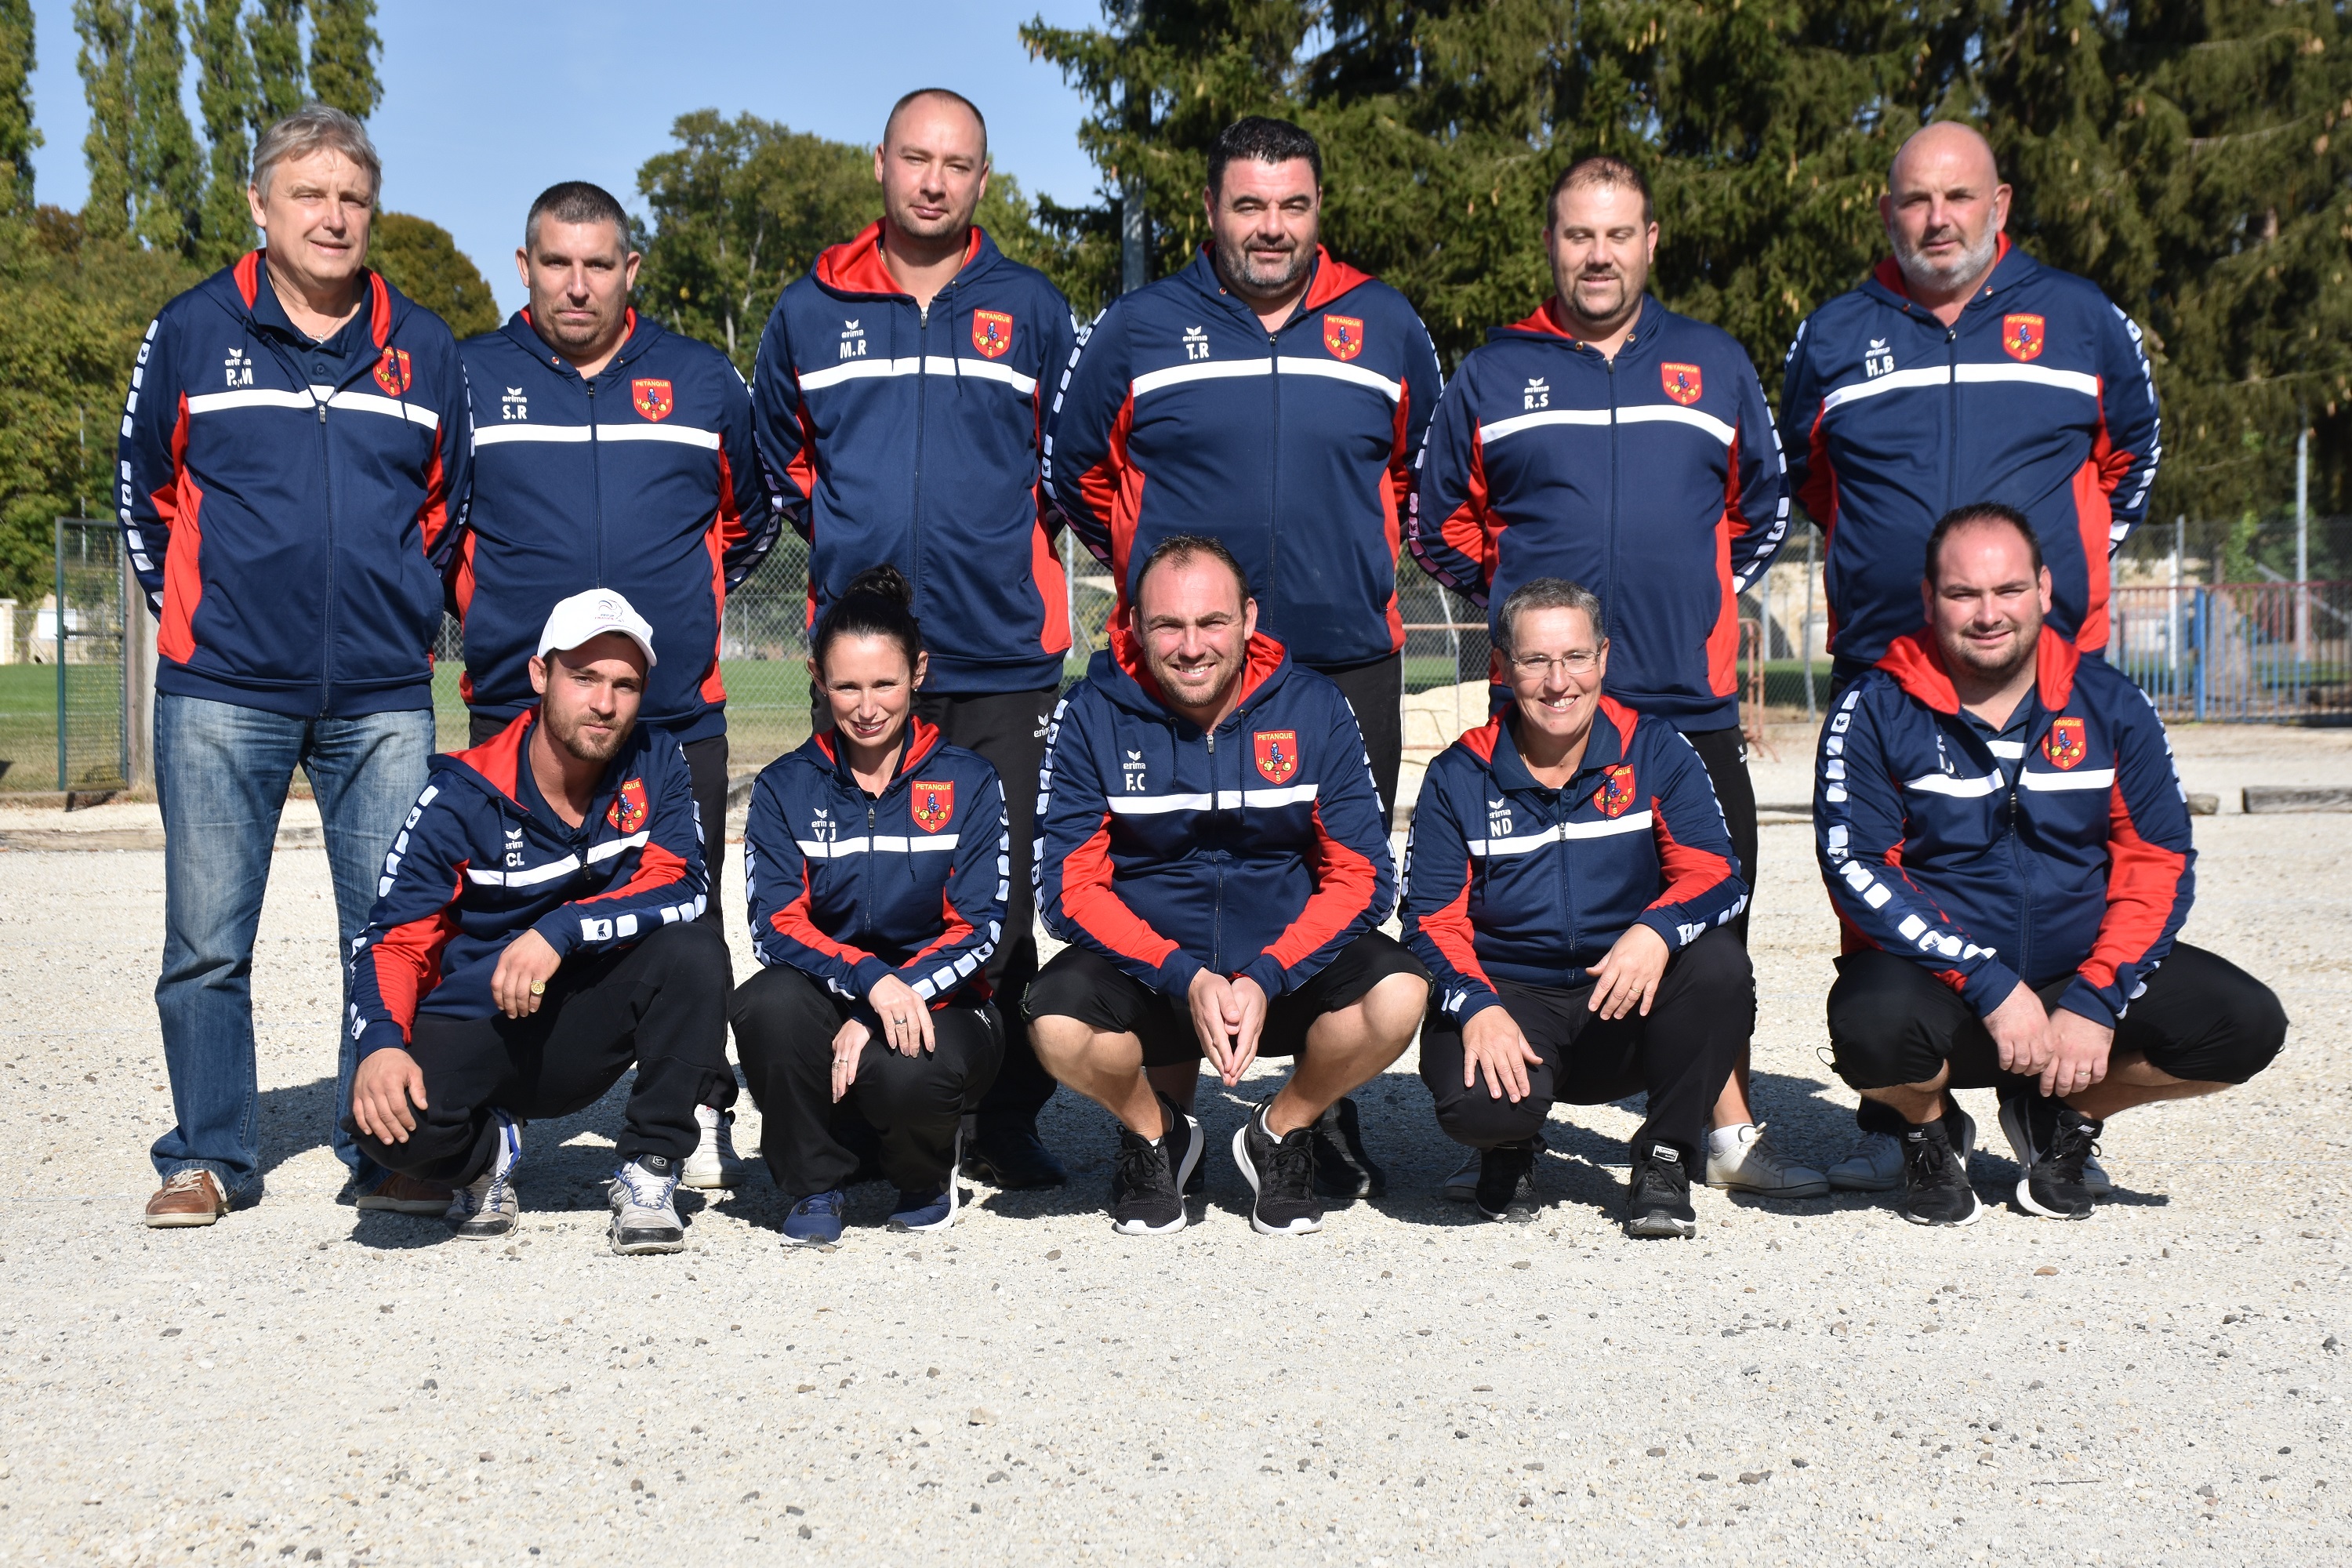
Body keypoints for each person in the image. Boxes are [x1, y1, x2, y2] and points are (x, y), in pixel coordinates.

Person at [1046, 114, 1443, 1196]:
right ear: (1211, 211)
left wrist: (1345, 565)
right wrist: (1157, 587)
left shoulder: (1386, 324)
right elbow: (1078, 476)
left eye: (1293, 206)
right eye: (1248, 206)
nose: (1271, 228)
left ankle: (1316, 1110)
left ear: (1321, 210)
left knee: (1341, 884)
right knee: (1166, 874)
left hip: (1344, 657)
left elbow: (1420, 480)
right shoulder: (1137, 327)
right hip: (1179, 669)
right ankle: (1163, 1116)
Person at [1410, 154, 1817, 1202]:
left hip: (1682, 702)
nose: (1599, 254)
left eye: (1618, 234)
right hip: (1544, 706)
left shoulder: (1715, 364)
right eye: (1578, 235)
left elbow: (1762, 505)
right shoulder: (1495, 373)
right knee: (1524, 918)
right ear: (1553, 244)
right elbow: (1439, 521)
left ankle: (1713, 1138)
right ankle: (1517, 1109)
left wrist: (1700, 595)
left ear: (1650, 243)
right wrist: (1513, 605)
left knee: (1708, 930)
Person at [1780, 121, 2162, 1193]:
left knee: (2059, 875)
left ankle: (2055, 1099)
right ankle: (1909, 1115)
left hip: (2048, 674)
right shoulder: (1837, 333)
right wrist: (1886, 577)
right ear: (1886, 209)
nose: (1936, 219)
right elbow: (1811, 478)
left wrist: (2064, 580)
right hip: (1889, 672)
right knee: (1882, 892)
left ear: (2002, 202)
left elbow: (2132, 460)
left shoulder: (2081, 318)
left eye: (1958, 197)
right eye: (1914, 200)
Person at [120, 105, 471, 1227]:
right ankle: (210, 1153)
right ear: (260, 206)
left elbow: (447, 510)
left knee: (391, 934)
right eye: (309, 194)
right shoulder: (189, 332)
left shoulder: (423, 344)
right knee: (208, 941)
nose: (333, 217)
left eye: (353, 198)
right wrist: (200, 623)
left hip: (379, 697)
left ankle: (379, 1150)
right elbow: (146, 499)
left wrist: (409, 616)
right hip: (222, 689)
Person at [752, 87, 1077, 1192]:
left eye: (959, 164)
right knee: (850, 893)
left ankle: (1003, 1116)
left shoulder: (1031, 308)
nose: (935, 181)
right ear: (879, 163)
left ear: (984, 180)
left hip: (1002, 661)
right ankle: (846, 1110)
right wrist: (862, 564)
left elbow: (1064, 466)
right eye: (916, 159)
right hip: (866, 667)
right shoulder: (806, 309)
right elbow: (787, 472)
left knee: (1006, 907)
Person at [1817, 504, 2285, 1225]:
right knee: (1869, 1028)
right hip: (1944, 980)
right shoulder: (1874, 707)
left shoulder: (2111, 702)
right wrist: (1987, 981)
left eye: (2007, 590)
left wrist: (2098, 998)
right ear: (1928, 600)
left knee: (2244, 1024)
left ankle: (2061, 1121)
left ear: (2044, 588)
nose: (1987, 613)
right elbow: (1856, 866)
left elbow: (2156, 860)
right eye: (1962, 594)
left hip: (2074, 974)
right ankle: (1928, 1133)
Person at [455, 180, 780, 1193]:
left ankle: (677, 1125)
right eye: (558, 262)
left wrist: (673, 625)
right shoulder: (469, 378)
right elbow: (435, 526)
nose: (579, 284)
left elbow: (752, 517)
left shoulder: (698, 378)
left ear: (630, 270)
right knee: (502, 919)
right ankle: (494, 1128)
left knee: (686, 923)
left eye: (600, 264)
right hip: (519, 719)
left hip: (674, 716)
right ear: (525, 268)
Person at [1026, 535, 1428, 1237]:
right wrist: (1184, 974)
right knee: (1055, 1022)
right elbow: (1068, 889)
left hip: (1280, 971)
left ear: (1247, 618)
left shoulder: (1314, 707)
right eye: (1167, 626)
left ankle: (1282, 1129)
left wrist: (1270, 973)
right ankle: (1157, 1137)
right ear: (1133, 627)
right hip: (1157, 973)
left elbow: (1364, 876)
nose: (1191, 647)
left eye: (1211, 622)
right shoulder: (1090, 713)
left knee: (1399, 993)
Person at [343, 590, 731, 1254]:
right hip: (488, 1020)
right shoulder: (462, 793)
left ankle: (650, 1168)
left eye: (624, 685)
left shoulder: (658, 762)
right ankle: (491, 1154)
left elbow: (684, 884)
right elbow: (393, 936)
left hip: (593, 1017)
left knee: (696, 950)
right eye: (584, 678)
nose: (604, 703)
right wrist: (379, 1042)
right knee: (383, 1125)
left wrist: (560, 930)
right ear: (540, 675)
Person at [1403, 579, 1753, 1237]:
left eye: (1576, 658)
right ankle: (1511, 1146)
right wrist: (1476, 1007)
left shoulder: (1655, 750)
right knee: (1481, 1108)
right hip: (1515, 1000)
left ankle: (1666, 1155)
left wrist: (1657, 929)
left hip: (1624, 998)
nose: (1558, 681)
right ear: (1502, 666)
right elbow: (1427, 919)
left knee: (1719, 968)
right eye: (1535, 660)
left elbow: (1719, 875)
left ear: (1603, 659)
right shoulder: (1458, 774)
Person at [729, 567, 1007, 1247]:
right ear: (817, 681)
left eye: (884, 683)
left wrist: (898, 989)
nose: (866, 706)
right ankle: (813, 1182)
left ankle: (921, 1175)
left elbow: (981, 927)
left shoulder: (969, 781)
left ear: (919, 672)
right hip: (844, 984)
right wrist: (868, 985)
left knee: (907, 1065)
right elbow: (775, 927)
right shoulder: (784, 786)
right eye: (846, 686)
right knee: (765, 1001)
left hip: (943, 996)